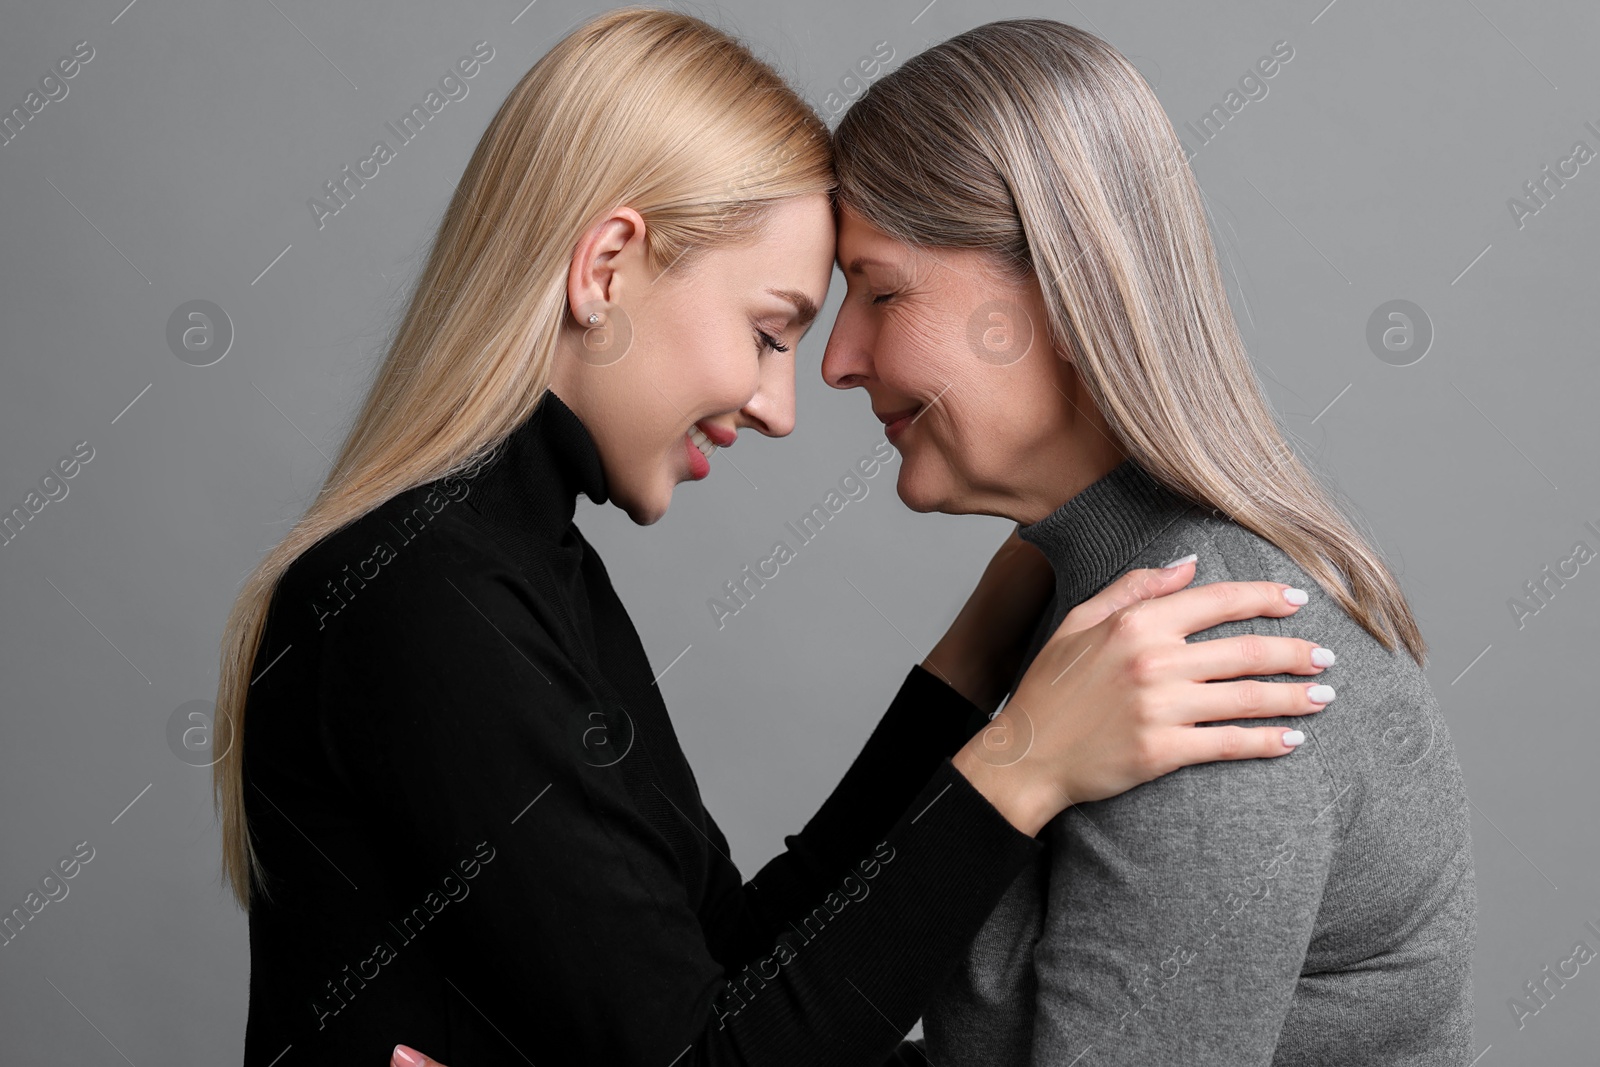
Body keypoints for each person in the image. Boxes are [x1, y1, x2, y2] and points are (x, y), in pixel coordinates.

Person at [210, 10, 1335, 1066]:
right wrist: (1022, 760)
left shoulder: (528, 570)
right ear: (605, 268)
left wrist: (972, 668)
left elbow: (732, 966)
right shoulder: (419, 596)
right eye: (769, 330)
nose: (785, 402)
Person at [820, 18, 1476, 1066]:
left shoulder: (1209, 650)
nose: (837, 360)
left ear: (1058, 281)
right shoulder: (1091, 592)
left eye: (881, 290)